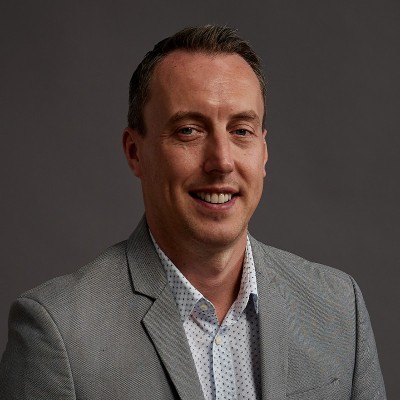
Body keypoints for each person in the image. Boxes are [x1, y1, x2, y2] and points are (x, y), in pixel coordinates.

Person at [0, 25, 386, 400]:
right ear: (135, 152)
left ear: (264, 151)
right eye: (189, 130)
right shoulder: (58, 331)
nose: (222, 161)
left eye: (241, 131)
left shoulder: (339, 309)